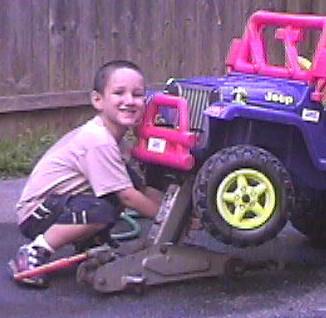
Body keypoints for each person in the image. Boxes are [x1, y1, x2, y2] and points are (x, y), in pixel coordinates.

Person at [8, 60, 162, 288]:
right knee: (102, 208)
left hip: (60, 203)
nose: (130, 101)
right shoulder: (98, 140)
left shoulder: (116, 141)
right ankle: (34, 251)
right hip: (36, 212)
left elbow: (138, 187)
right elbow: (128, 197)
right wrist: (164, 218)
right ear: (97, 100)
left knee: (124, 181)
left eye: (138, 94)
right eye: (119, 93)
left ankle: (91, 245)